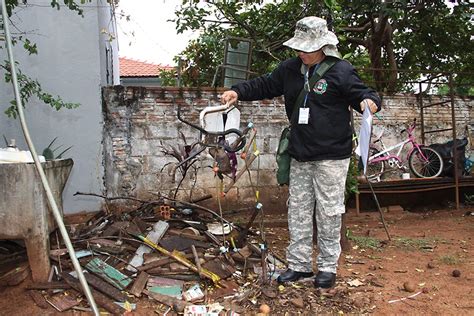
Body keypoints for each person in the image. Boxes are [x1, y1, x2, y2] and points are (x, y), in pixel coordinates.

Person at [221, 16, 381, 288]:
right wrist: (237, 91)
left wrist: (370, 102)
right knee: (298, 210)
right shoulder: (289, 69)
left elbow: (363, 94)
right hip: (300, 152)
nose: (302, 53)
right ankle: (300, 265)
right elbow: (264, 84)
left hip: (332, 156)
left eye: (308, 47)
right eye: (299, 47)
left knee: (329, 212)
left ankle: (328, 267)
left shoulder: (340, 70)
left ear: (322, 45)